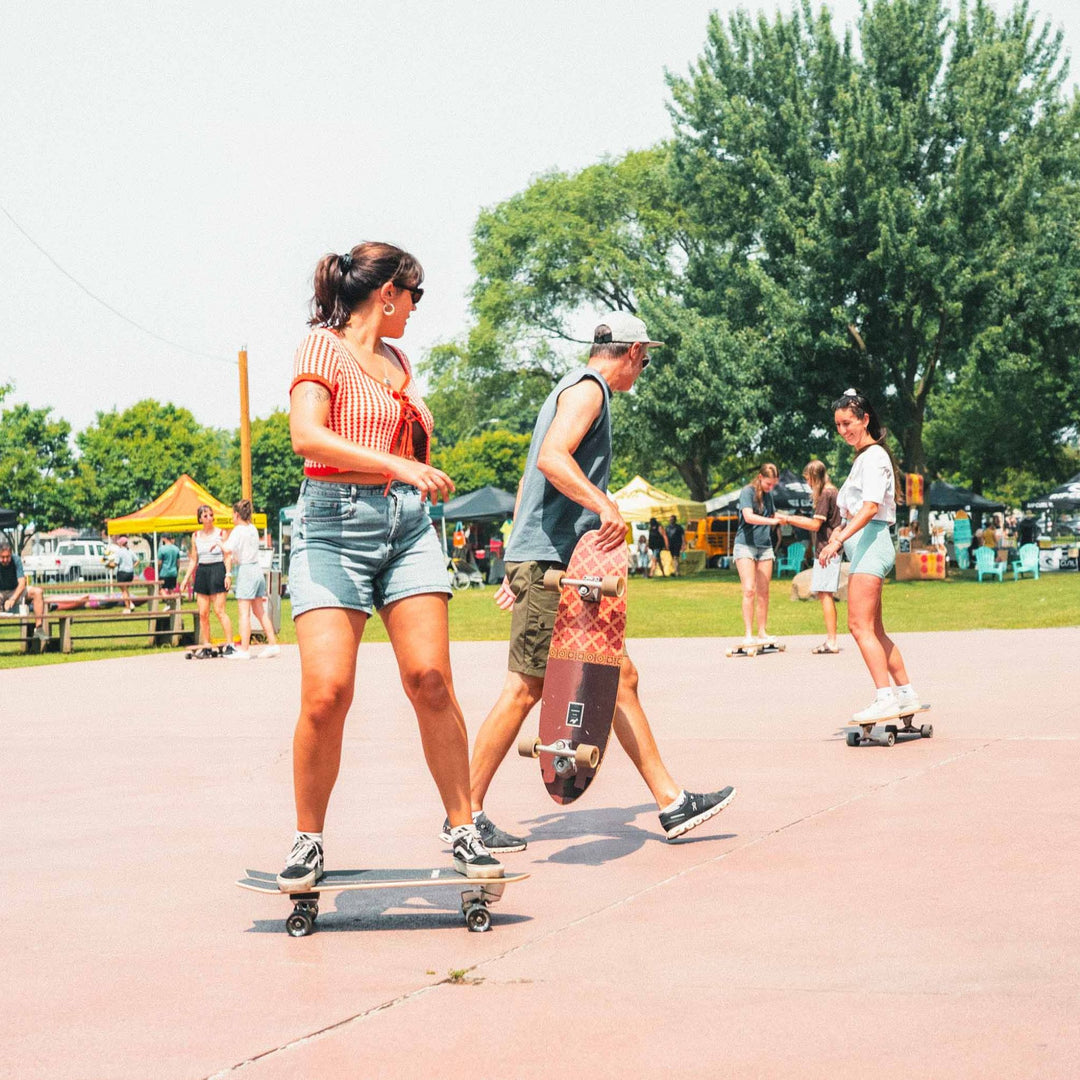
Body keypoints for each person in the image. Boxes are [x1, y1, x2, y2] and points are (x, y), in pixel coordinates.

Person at [442, 311, 736, 854]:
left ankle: (670, 803)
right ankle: (466, 814)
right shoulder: (588, 390)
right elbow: (553, 459)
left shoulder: (574, 389)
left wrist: (520, 559)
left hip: (555, 563)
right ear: (631, 351)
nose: (643, 368)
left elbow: (538, 472)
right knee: (524, 689)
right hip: (554, 565)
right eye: (645, 358)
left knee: (619, 675)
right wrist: (602, 503)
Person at [280, 240, 501, 890]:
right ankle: (308, 840)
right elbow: (306, 436)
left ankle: (464, 825)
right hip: (331, 525)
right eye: (415, 296)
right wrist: (396, 463)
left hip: (406, 527)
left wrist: (408, 474)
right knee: (327, 694)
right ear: (388, 294)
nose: (415, 309)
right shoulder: (323, 348)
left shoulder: (399, 359)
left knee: (431, 678)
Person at [816, 388, 920, 722]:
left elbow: (871, 507)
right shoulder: (864, 458)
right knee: (874, 629)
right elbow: (856, 510)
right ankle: (905, 694)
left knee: (858, 626)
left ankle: (883, 696)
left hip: (871, 545)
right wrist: (838, 532)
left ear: (865, 419)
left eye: (848, 423)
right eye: (838, 425)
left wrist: (837, 539)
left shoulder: (873, 457)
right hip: (865, 544)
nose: (843, 430)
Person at [777, 461, 842, 654]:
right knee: (825, 594)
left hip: (826, 549)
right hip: (830, 548)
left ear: (814, 477)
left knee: (825, 594)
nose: (807, 484)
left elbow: (815, 525)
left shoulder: (825, 494)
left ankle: (832, 641)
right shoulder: (834, 492)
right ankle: (831, 639)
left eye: (808, 479)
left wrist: (788, 518)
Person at [223, 499, 280, 660]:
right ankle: (273, 644)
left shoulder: (238, 530)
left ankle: (245, 649)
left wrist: (219, 541)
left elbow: (227, 549)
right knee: (259, 611)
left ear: (236, 514)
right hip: (257, 569)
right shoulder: (253, 529)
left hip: (246, 570)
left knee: (244, 612)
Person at [734, 463, 783, 648]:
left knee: (764, 591)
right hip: (745, 545)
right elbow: (749, 516)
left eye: (774, 485)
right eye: (769, 484)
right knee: (749, 590)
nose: (771, 488)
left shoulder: (769, 496)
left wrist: (789, 519)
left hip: (764, 546)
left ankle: (762, 632)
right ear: (760, 477)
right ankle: (748, 634)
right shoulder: (747, 492)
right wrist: (772, 521)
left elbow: (774, 514)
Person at [179, 505, 235, 654]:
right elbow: (194, 559)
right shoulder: (195, 536)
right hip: (202, 571)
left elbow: (227, 556)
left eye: (211, 515)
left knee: (219, 610)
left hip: (217, 569)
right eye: (205, 516)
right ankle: (207, 645)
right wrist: (185, 579)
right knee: (203, 613)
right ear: (200, 519)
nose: (209, 518)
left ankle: (231, 644)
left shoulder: (221, 533)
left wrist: (228, 574)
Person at [0, 540, 46, 641]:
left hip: (16, 591)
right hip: (1, 592)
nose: (5, 560)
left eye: (7, 557)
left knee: (38, 592)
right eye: (2, 557)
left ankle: (38, 628)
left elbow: (22, 583)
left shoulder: (16, 560)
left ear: (11, 554)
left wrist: (12, 599)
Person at [113, 536, 139, 613]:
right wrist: (132, 566)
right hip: (130, 573)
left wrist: (108, 564)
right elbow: (137, 560)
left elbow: (115, 563)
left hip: (122, 573)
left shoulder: (119, 552)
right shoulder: (130, 551)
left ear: (120, 544)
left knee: (124, 591)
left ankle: (127, 608)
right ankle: (130, 604)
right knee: (126, 589)